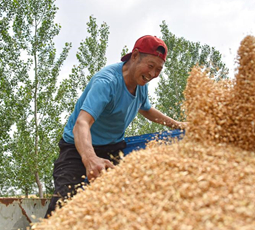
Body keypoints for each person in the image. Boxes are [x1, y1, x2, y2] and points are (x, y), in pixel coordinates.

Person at [45, 35, 187, 218]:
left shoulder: (141, 82)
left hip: (113, 148)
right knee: (65, 205)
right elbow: (81, 123)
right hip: (78, 148)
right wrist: (90, 159)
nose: (152, 74)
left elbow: (147, 109)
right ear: (135, 55)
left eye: (158, 70)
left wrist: (178, 125)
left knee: (127, 204)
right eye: (150, 66)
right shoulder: (106, 82)